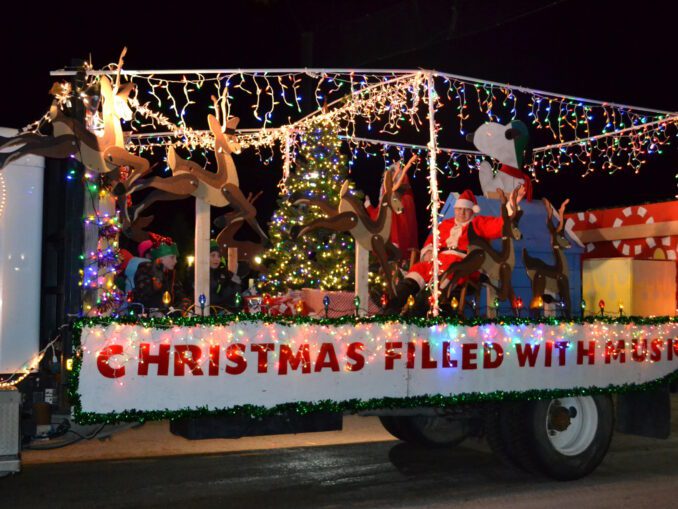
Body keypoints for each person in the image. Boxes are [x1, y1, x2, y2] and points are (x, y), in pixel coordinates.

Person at [383, 186, 525, 314]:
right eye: (459, 209)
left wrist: (513, 202)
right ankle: (392, 309)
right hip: (437, 261)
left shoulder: (478, 223)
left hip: (463, 263)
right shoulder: (445, 224)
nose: (462, 213)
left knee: (450, 270)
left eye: (466, 210)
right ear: (455, 209)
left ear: (472, 210)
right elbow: (432, 241)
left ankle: (429, 311)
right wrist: (427, 253)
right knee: (417, 270)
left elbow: (499, 224)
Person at [365, 154, 419, 260]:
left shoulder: (403, 198)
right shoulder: (398, 195)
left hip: (396, 244)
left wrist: (369, 207)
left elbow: (381, 216)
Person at [133, 235, 189, 312]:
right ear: (161, 258)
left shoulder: (171, 274)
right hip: (147, 316)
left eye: (176, 258)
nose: (175, 261)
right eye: (172, 257)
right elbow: (141, 295)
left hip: (166, 316)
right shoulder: (145, 270)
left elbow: (177, 292)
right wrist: (153, 287)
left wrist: (183, 301)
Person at [186, 240, 243, 311]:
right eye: (213, 255)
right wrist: (229, 289)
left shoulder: (225, 273)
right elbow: (208, 298)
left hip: (225, 312)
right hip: (204, 314)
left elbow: (237, 293)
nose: (216, 259)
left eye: (219, 256)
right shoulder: (197, 274)